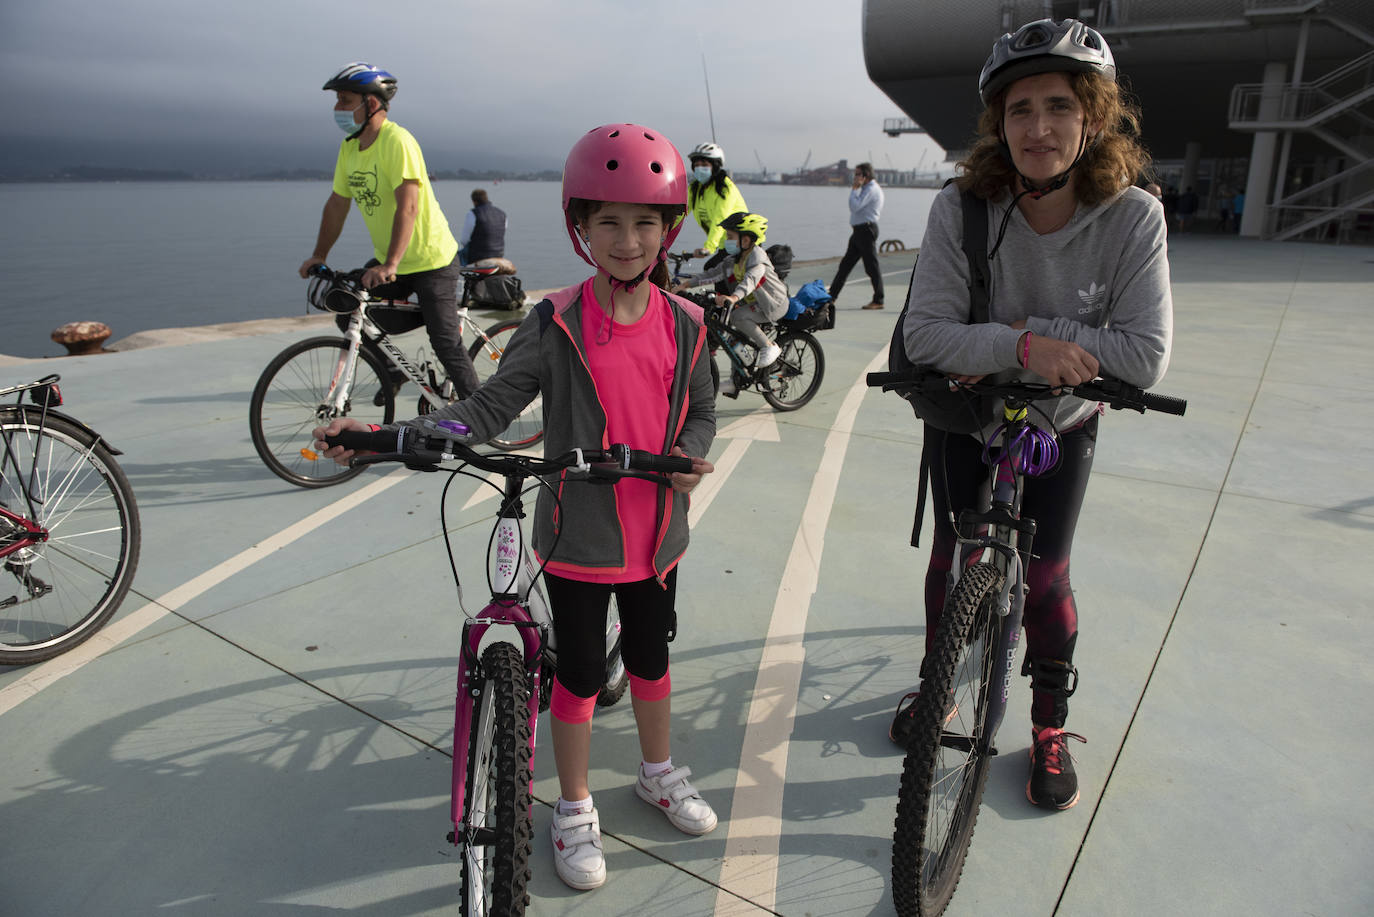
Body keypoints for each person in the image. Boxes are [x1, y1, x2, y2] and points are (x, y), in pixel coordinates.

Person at [313, 123, 718, 891]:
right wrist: (390, 435)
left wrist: (690, 455)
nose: (627, 240)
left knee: (651, 657)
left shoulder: (687, 323)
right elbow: (493, 405)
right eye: (608, 222)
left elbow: (699, 405)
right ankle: (572, 804)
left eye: (644, 222)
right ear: (581, 229)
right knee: (577, 675)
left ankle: (658, 771)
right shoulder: (556, 320)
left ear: (668, 231)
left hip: (658, 535)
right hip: (577, 537)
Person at [892, 18, 1173, 811]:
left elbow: (1143, 353)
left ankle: (1050, 720)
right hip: (965, 410)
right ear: (998, 122)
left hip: (1065, 421)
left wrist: (1026, 347)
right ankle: (938, 683)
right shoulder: (964, 207)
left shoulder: (1131, 218)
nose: (1038, 127)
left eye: (1058, 105)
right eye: (1020, 109)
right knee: (952, 555)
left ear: (1092, 115)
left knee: (1046, 576)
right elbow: (927, 333)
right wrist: (1032, 343)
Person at [299, 62, 480, 402]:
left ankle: (484, 414)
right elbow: (337, 205)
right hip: (392, 261)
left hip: (431, 261)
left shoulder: (398, 141)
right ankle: (392, 373)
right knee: (349, 309)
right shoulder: (349, 149)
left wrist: (390, 263)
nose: (337, 109)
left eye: (343, 100)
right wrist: (319, 255)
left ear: (370, 104)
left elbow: (408, 206)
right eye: (337, 101)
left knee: (444, 341)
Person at [671, 211, 789, 398]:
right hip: (753, 304)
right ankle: (736, 381)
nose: (727, 240)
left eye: (731, 236)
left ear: (747, 240)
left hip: (772, 305)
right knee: (733, 336)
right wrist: (684, 285)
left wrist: (733, 298)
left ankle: (769, 346)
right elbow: (711, 274)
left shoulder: (758, 260)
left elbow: (750, 281)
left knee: (737, 317)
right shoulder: (733, 261)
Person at [828, 162, 886, 310]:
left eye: (857, 174)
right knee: (845, 265)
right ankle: (831, 298)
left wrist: (854, 189)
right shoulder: (867, 188)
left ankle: (879, 300)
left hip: (866, 231)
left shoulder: (871, 189)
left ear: (865, 175)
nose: (855, 177)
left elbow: (854, 206)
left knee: (871, 267)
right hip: (859, 232)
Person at [686, 142, 749, 259]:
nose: (699, 168)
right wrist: (663, 232)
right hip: (723, 245)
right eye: (696, 164)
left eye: (704, 164)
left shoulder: (725, 188)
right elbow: (680, 211)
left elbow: (720, 218)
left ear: (715, 165)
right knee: (710, 270)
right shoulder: (695, 188)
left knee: (713, 271)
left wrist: (708, 247)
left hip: (741, 244)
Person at [459, 188, 507, 264]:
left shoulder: (472, 214)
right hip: (498, 254)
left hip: (478, 256)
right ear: (486, 198)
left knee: (454, 259)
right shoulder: (502, 214)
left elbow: (463, 240)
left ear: (474, 201)